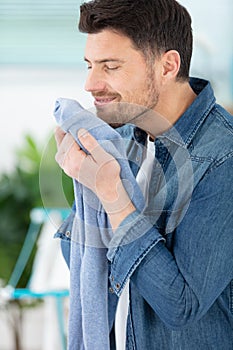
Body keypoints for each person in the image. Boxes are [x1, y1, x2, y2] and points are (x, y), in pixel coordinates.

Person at [54, 0, 233, 349]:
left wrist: (112, 197)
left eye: (110, 66)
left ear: (167, 66)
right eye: (90, 65)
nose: (90, 84)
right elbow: (80, 264)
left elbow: (180, 305)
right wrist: (84, 183)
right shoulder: (117, 140)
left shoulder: (222, 158)